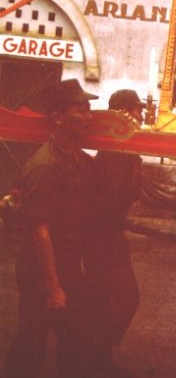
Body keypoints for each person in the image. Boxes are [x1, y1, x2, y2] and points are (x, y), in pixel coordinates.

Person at [4, 78, 98, 378]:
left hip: (66, 267)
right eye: (81, 110)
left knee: (74, 345)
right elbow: (39, 231)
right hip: (42, 272)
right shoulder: (46, 165)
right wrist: (54, 285)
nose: (89, 116)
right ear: (58, 117)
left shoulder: (78, 159)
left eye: (89, 109)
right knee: (31, 345)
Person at [85, 89, 144, 376]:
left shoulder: (123, 152)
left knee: (111, 298)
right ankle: (95, 355)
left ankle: (98, 353)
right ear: (122, 113)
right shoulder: (113, 154)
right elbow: (109, 198)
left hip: (110, 237)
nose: (141, 116)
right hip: (102, 240)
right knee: (121, 297)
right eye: (136, 110)